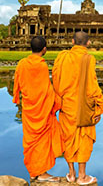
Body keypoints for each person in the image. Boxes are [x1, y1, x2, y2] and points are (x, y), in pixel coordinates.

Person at [52, 31, 103, 185]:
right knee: (83, 138)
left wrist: (60, 99)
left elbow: (55, 80)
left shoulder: (62, 57)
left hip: (66, 105)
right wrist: (101, 105)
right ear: (88, 43)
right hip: (83, 107)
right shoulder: (88, 59)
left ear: (72, 41)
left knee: (68, 138)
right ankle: (82, 176)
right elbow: (92, 86)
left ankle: (71, 173)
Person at [13, 36, 63, 182]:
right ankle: (40, 173)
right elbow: (46, 90)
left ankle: (35, 172)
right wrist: (57, 102)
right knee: (42, 140)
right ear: (44, 49)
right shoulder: (41, 66)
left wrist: (17, 97)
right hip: (41, 110)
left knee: (31, 141)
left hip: (29, 109)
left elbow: (17, 83)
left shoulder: (22, 64)